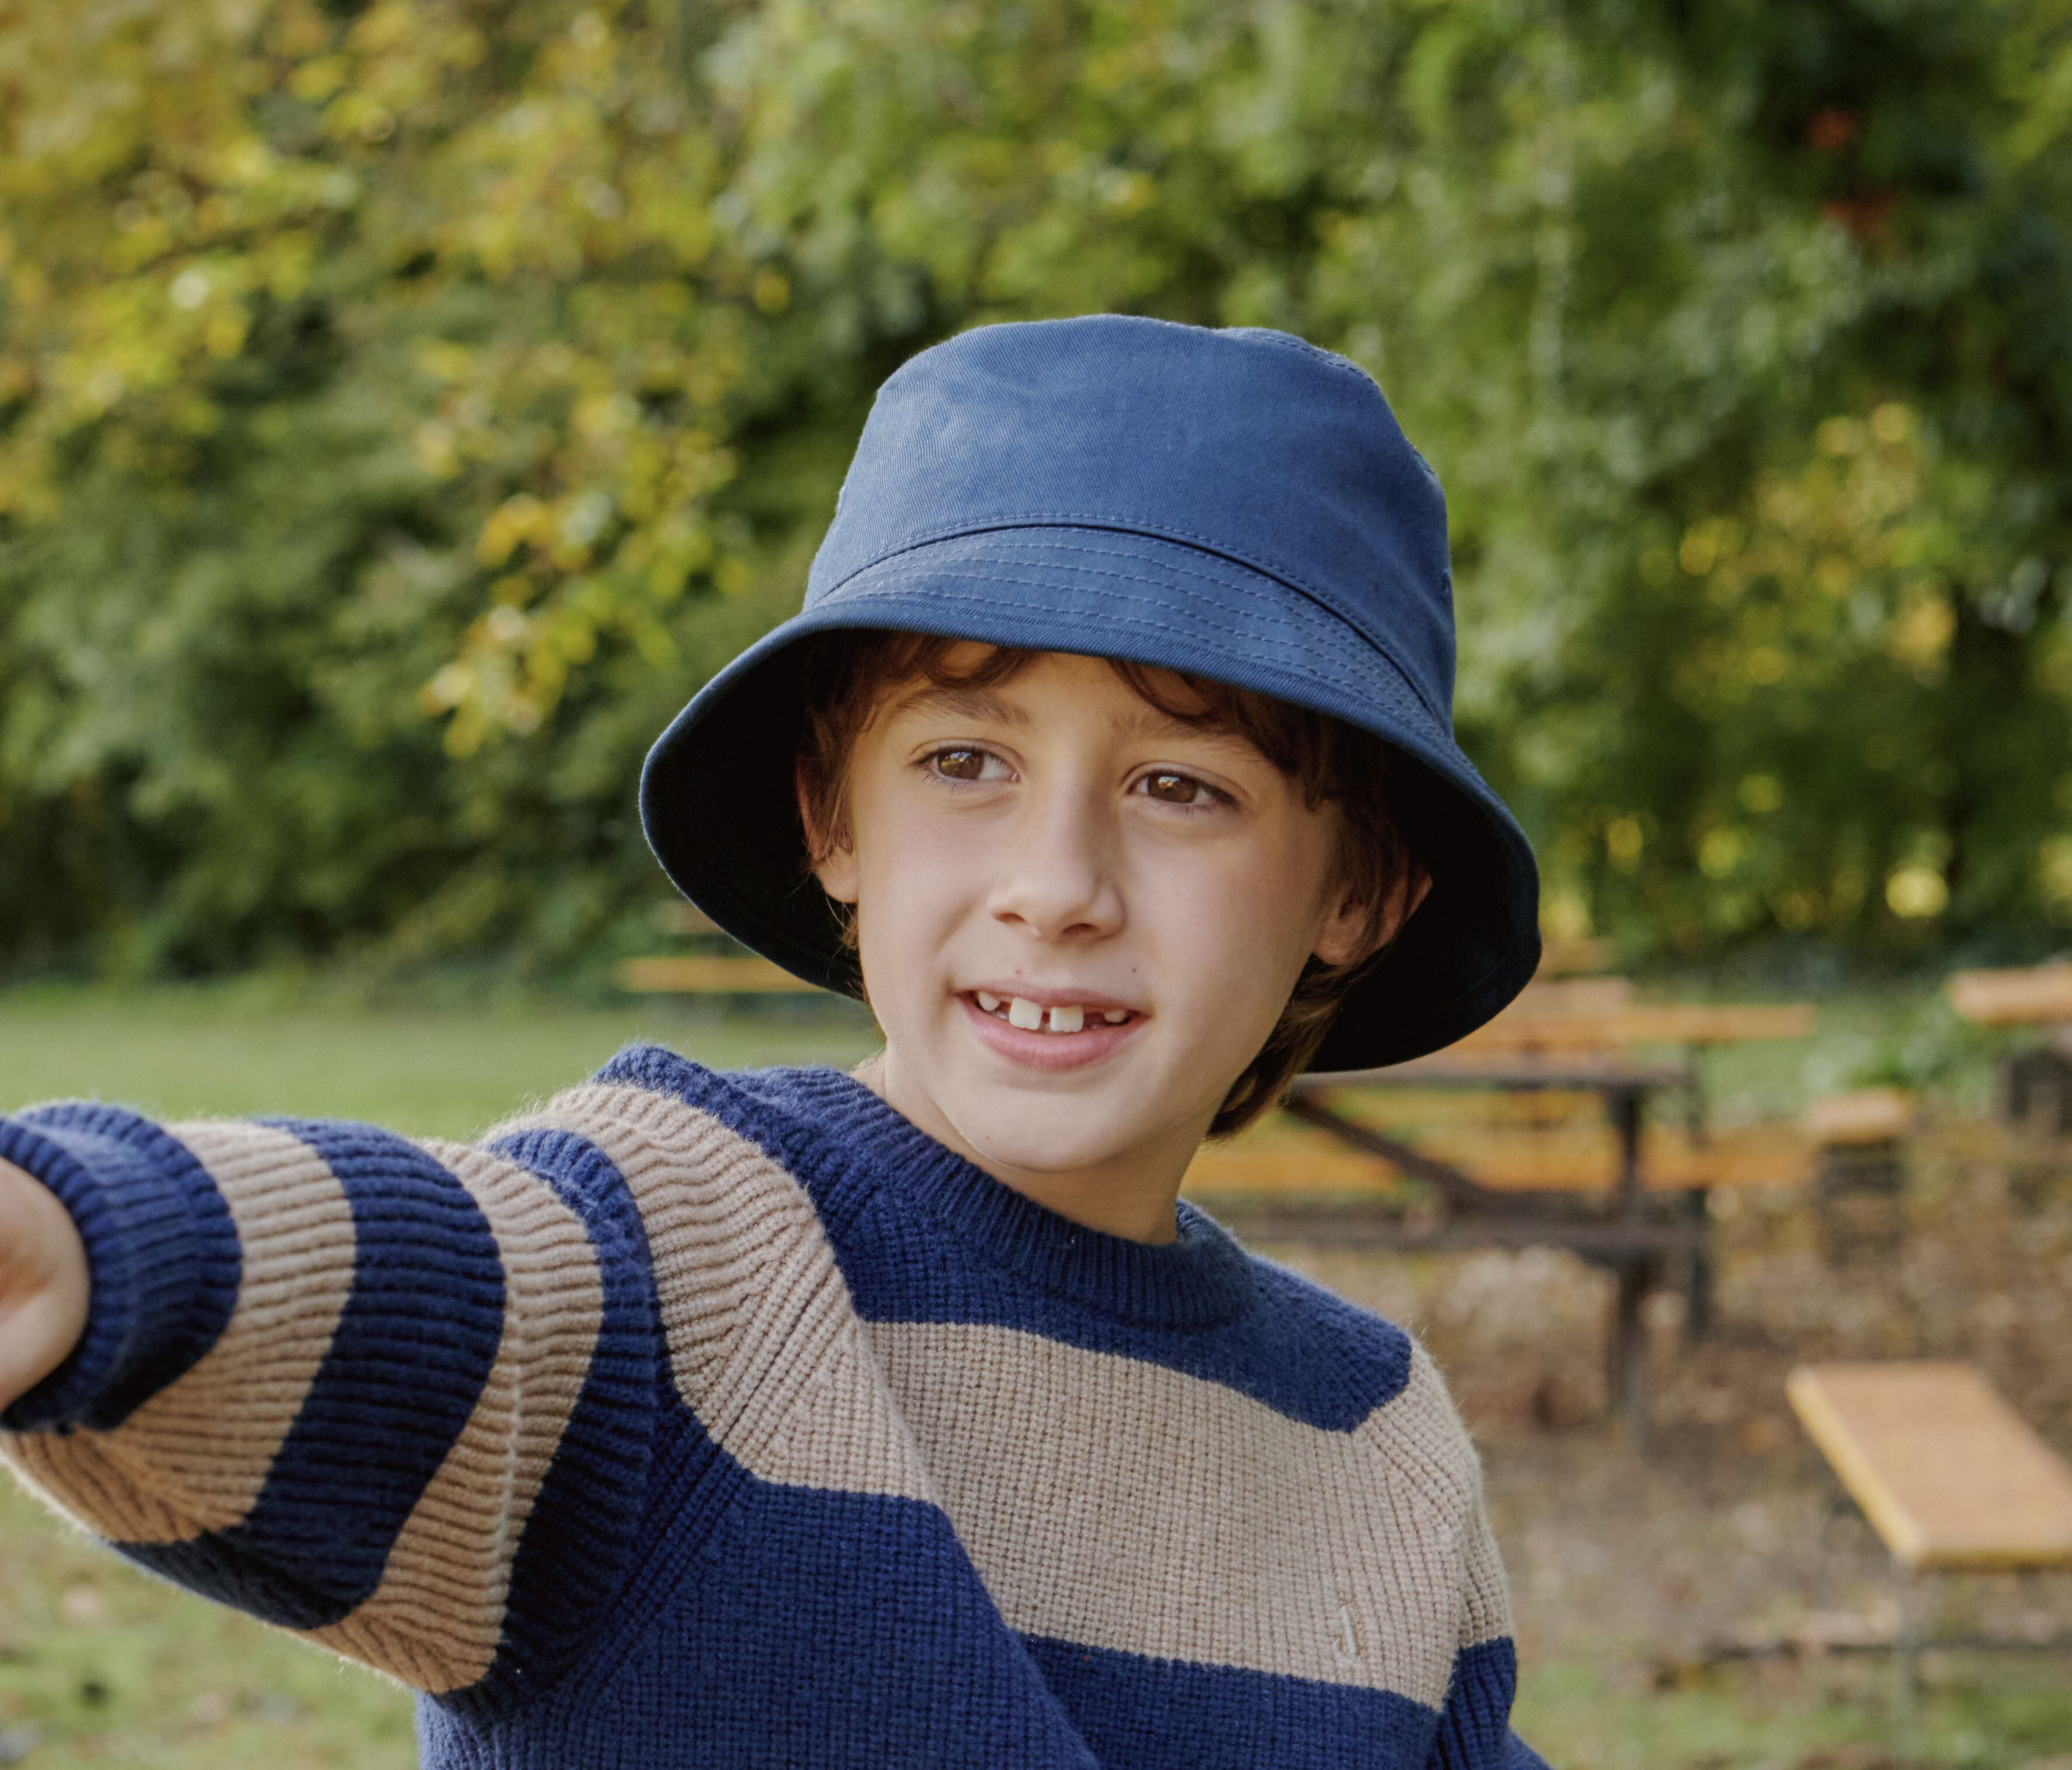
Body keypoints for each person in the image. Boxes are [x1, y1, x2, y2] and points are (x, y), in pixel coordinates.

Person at [0, 315, 1546, 1768]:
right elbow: (435, 1285)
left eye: (1183, 788)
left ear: (1358, 889)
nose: (1057, 888)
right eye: (963, 761)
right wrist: (88, 1248)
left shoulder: (1372, 1444)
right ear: (831, 819)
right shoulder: (680, 1256)